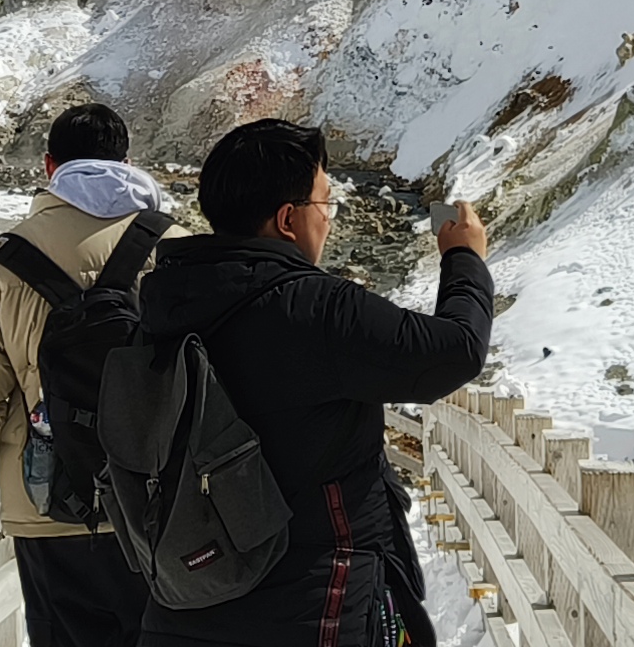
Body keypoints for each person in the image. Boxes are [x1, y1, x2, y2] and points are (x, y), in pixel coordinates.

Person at [134, 118, 492, 647]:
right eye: (326, 204)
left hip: (185, 602)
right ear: (288, 218)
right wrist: (464, 259)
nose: (327, 219)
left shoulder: (162, 304)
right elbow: (454, 352)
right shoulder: (316, 309)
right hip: (317, 606)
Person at [0, 103, 174, 647]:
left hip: (51, 504)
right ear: (127, 163)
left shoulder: (4, 260)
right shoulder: (174, 245)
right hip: (163, 501)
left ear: (49, 165)